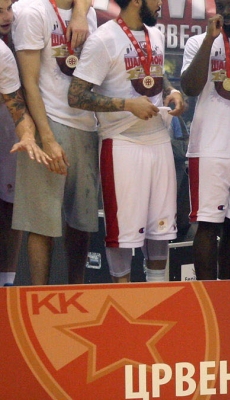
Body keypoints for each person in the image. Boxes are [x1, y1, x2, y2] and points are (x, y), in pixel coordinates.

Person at [68, 0, 186, 283]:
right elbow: (76, 95)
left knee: (160, 229)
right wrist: (127, 104)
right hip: (121, 142)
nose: (160, 4)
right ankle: (124, 296)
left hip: (159, 139)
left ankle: (157, 293)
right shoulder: (104, 39)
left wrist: (172, 91)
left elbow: (156, 74)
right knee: (122, 233)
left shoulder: (155, 34)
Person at [11, 0, 95, 285]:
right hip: (48, 120)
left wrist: (81, 13)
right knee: (41, 221)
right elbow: (29, 82)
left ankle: (77, 292)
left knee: (81, 223)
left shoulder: (89, 13)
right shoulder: (32, 11)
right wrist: (46, 138)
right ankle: (38, 296)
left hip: (86, 124)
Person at [179, 0, 230, 280]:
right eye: (221, 4)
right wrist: (209, 41)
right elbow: (190, 87)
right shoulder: (198, 42)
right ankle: (207, 293)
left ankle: (226, 293)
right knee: (207, 225)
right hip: (209, 145)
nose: (227, 11)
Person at [0, 12, 45, 286]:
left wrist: (28, 135)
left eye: (8, 7)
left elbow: (17, 109)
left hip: (6, 131)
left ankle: (5, 285)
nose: (7, 16)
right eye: (0, 10)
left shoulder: (3, 54)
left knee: (9, 205)